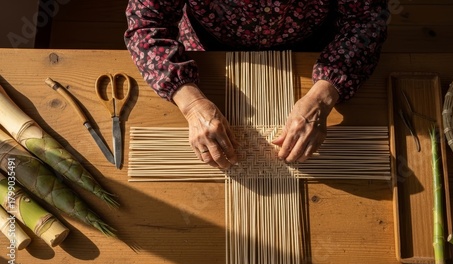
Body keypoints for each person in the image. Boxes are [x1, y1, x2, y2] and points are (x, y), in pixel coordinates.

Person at [124, 0, 388, 169]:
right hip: (210, 51)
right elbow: (146, 23)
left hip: (312, 52)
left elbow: (367, 21)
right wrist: (191, 103)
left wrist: (323, 95)